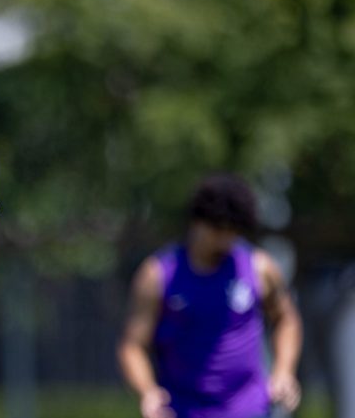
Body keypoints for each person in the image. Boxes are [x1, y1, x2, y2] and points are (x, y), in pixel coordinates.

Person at [117, 174, 303, 418]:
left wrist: (284, 371)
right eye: (217, 230)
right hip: (183, 409)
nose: (225, 240)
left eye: (232, 231)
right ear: (196, 222)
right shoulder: (158, 275)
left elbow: (286, 320)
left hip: (249, 409)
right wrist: (148, 391)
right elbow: (133, 345)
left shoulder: (259, 268)